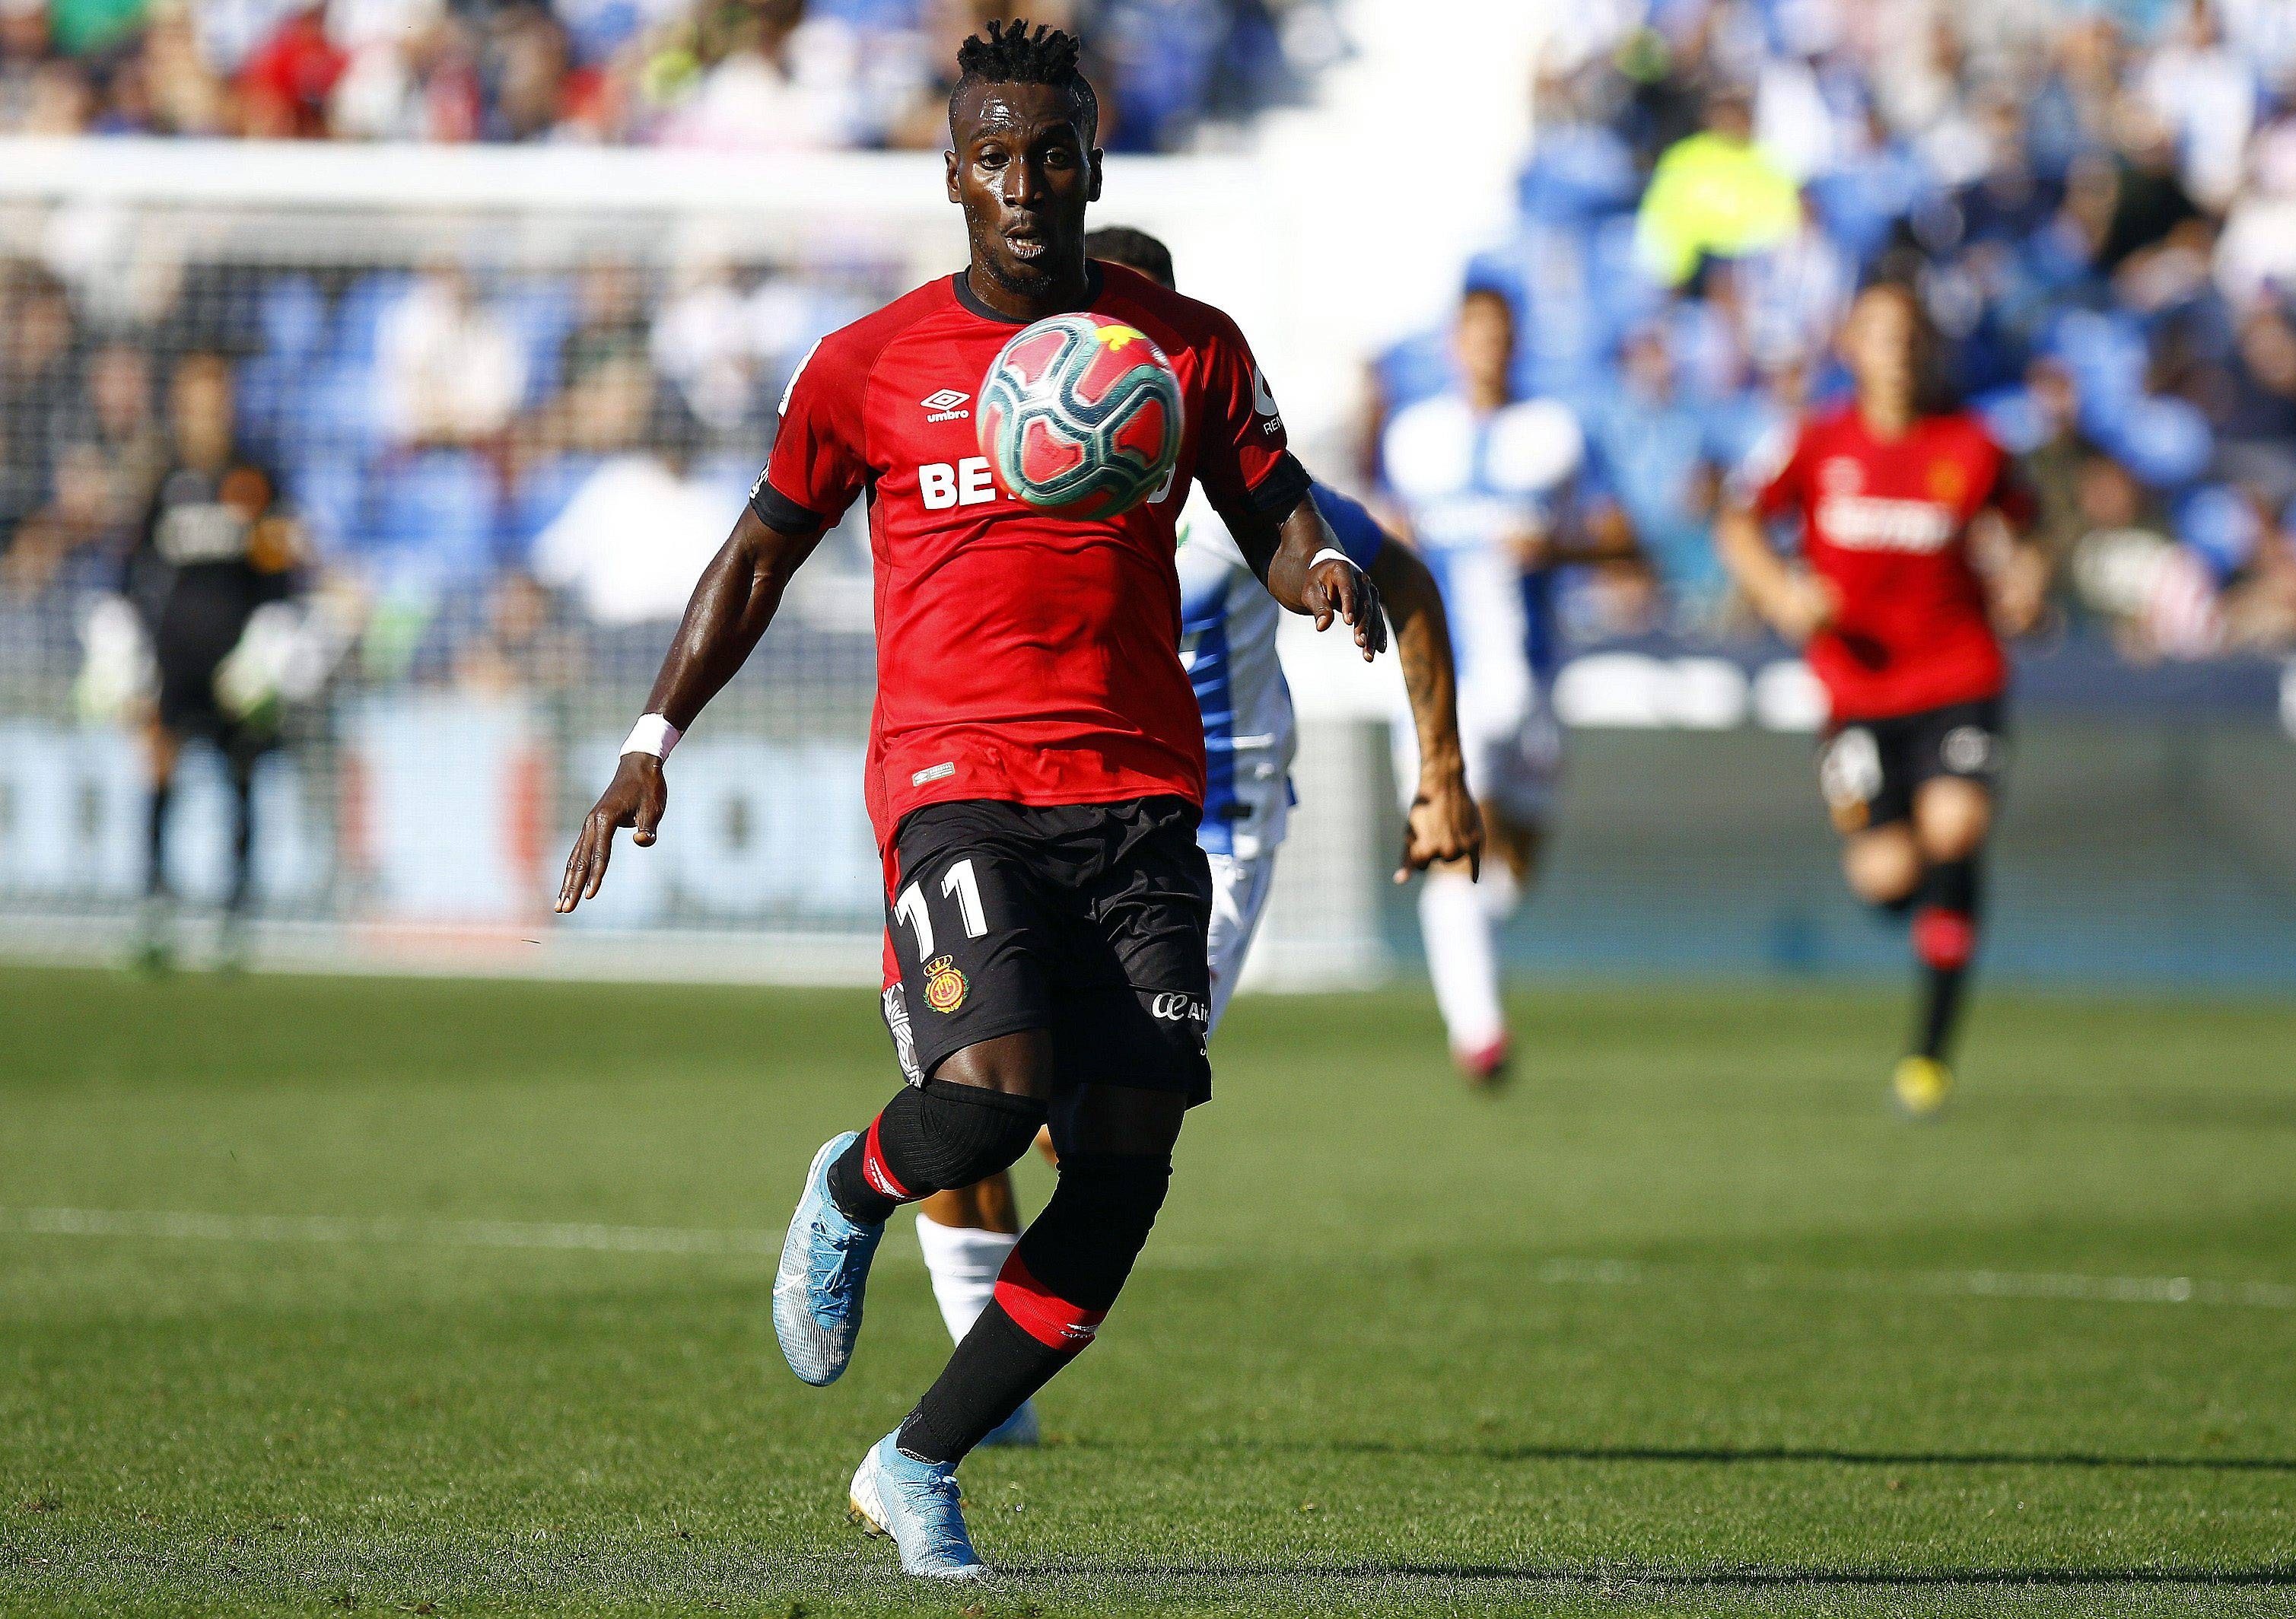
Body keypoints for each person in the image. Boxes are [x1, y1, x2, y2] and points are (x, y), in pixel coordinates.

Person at [554, 21, 1386, 1581]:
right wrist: (655, 730)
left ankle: (917, 1456)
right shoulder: (866, 365)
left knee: (1127, 1152)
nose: (1024, 180)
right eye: (993, 154)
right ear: (949, 172)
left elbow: (1270, 511)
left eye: (1049, 150)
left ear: (1092, 160)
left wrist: (1317, 567)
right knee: (993, 1093)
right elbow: (757, 553)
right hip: (956, 781)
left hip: (1141, 791)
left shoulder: (1181, 348)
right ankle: (853, 1179)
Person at [906, 224, 1485, 1451]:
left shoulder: (1235, 492)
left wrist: (1438, 771)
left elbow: (1412, 581)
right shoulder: (1009, 476)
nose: (1123, 357)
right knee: (963, 1091)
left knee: (1077, 1114)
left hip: (1200, 837)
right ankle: (982, 1376)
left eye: (1147, 333)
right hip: (1032, 811)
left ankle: (987, 1370)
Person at [1718, 281, 2040, 1117]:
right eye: (1879, 334)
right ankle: (1938, 905)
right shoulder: (1817, 442)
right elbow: (1739, 521)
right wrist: (1783, 592)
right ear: (1850, 347)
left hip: (1956, 674)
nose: (1895, 349)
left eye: (1909, 335)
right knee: (1887, 877)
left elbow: (2030, 523)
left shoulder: (1971, 445)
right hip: (1854, 691)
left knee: (1956, 826)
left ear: (1926, 348)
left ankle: (1928, 1053)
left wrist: (2028, 582)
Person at [1379, 285, 1594, 1084]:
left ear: (1518, 343)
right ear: (1452, 345)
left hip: (1531, 679)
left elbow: (1613, 531)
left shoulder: (1553, 436)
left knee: (1515, 860)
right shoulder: (1414, 438)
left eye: (1501, 336)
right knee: (1451, 846)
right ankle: (1480, 1033)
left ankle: (1466, 935)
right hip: (1438, 677)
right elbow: (1379, 529)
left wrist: (1560, 546)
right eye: (1475, 336)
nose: (1488, 350)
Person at [119, 352, 306, 969]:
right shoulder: (165, 483)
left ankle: (235, 908)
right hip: (174, 660)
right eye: (195, 404)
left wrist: (264, 651)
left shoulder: (255, 481)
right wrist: (128, 657)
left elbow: (280, 575)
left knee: (241, 779)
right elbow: (130, 574)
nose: (205, 416)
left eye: (215, 402)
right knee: (160, 772)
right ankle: (155, 901)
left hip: (237, 666)